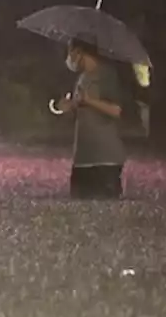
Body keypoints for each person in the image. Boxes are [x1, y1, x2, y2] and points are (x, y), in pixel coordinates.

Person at [54, 39, 126, 199]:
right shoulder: (82, 78)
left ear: (79, 52)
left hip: (105, 158)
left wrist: (89, 101)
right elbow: (80, 113)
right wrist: (68, 108)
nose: (69, 58)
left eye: (70, 52)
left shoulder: (106, 74)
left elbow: (117, 110)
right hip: (83, 158)